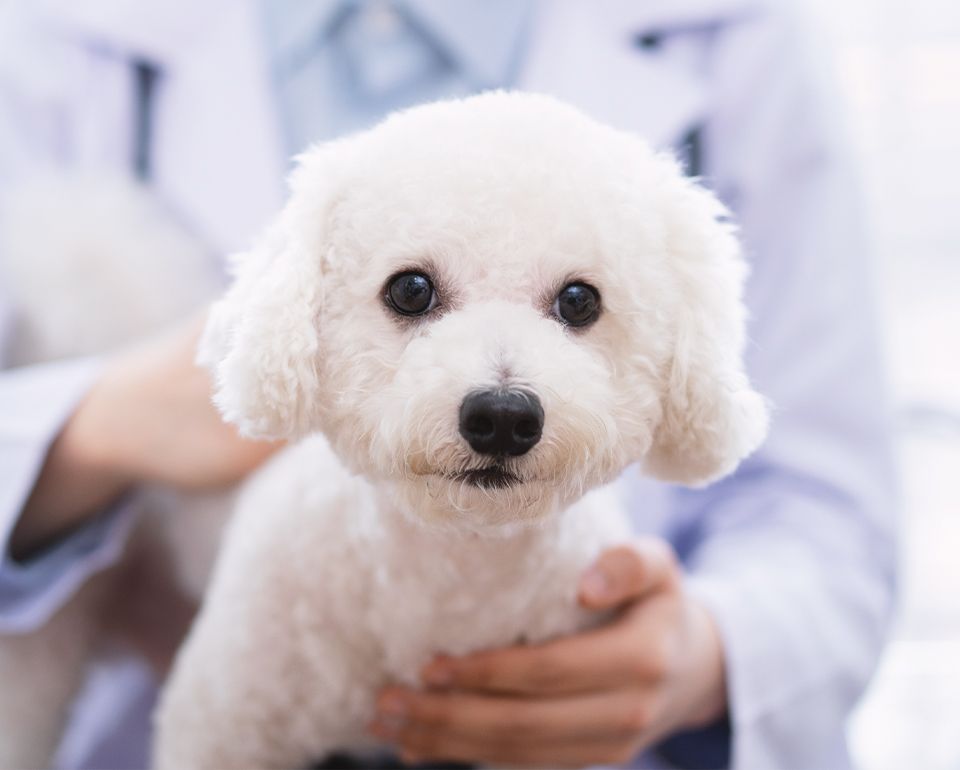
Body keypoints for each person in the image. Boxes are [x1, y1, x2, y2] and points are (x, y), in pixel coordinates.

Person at [0, 0, 896, 767]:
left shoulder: (746, 33)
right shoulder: (52, 30)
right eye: (413, 296)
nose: (501, 393)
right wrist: (85, 430)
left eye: (576, 305)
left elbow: (829, 509)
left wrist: (706, 656)